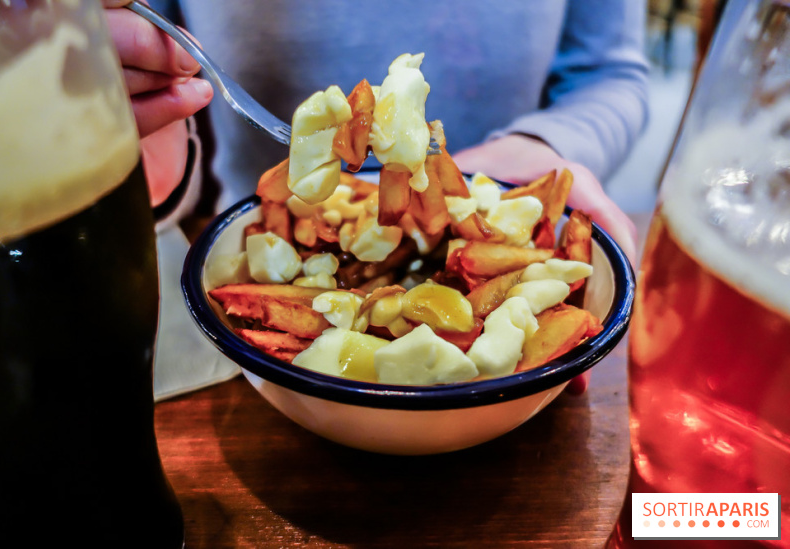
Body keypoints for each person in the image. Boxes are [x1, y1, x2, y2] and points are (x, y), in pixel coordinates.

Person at [103, 0, 650, 394]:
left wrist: (541, 145)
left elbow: (608, 73)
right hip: (229, 308)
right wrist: (148, 156)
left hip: (489, 205)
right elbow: (153, 79)